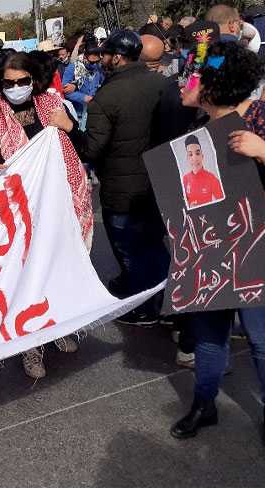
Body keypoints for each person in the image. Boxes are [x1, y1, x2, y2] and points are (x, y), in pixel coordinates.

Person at [0, 52, 91, 379]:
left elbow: (86, 150)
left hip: (59, 205)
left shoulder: (55, 107)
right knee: (24, 278)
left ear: (34, 80)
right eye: (9, 83)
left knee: (57, 271)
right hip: (17, 213)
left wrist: (71, 129)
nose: (16, 87)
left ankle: (57, 328)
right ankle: (29, 346)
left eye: (23, 81)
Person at [170, 41, 265, 444]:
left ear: (211, 85)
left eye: (195, 76)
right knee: (209, 340)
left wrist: (263, 152)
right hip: (210, 253)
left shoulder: (259, 121)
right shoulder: (196, 132)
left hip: (257, 253)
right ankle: (204, 404)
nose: (186, 83)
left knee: (261, 339)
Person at [75, 30, 169, 326]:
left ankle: (145, 308)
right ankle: (166, 302)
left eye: (104, 54)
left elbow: (92, 147)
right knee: (155, 244)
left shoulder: (107, 96)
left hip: (122, 188)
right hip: (158, 183)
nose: (101, 59)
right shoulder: (163, 85)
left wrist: (68, 128)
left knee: (131, 249)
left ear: (117, 57)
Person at [62, 42, 104, 126]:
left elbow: (102, 84)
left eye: (97, 61)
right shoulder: (73, 68)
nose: (95, 64)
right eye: (92, 62)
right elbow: (65, 90)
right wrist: (84, 98)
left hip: (93, 112)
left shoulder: (98, 69)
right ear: (85, 57)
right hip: (78, 114)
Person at [181, 134, 224, 207]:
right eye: (190, 154)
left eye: (197, 153)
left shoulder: (211, 178)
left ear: (202, 156)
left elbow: (222, 201)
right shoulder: (184, 179)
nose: (195, 158)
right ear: (187, 158)